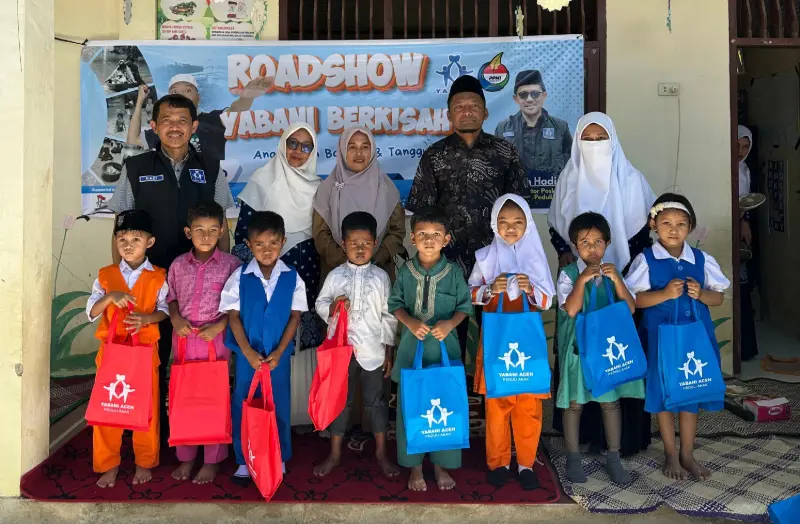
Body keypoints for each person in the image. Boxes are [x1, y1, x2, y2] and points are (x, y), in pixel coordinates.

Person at [108, 93, 235, 447]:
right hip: (149, 284)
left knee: (195, 363)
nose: (174, 127)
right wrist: (122, 280)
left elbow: (223, 229)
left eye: (182, 121)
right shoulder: (136, 167)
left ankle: (192, 433)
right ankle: (145, 433)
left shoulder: (211, 167)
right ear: (154, 126)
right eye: (166, 120)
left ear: (194, 126)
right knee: (148, 358)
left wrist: (224, 283)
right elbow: (120, 228)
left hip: (199, 291)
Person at [547, 112, 656, 456]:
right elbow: (557, 229)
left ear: (613, 140)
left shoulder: (632, 180)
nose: (594, 145)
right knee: (579, 355)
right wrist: (570, 260)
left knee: (618, 354)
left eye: (601, 139)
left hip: (621, 283)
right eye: (587, 139)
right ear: (577, 142)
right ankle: (581, 437)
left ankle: (623, 441)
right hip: (580, 284)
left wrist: (622, 275)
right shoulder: (568, 179)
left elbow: (643, 235)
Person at [406, 74, 529, 357]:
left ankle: (493, 386)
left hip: (496, 262)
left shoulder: (505, 152)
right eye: (459, 107)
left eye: (473, 105)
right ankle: (455, 386)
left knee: (499, 336)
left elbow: (519, 209)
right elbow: (422, 213)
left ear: (485, 112)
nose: (467, 111)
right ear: (449, 115)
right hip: (447, 264)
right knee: (448, 339)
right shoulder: (434, 156)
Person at [625, 193, 729, 481]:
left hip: (695, 339)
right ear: (653, 225)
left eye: (681, 224)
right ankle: (671, 453)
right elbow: (633, 301)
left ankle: (687, 454)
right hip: (661, 340)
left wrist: (702, 294)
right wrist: (664, 294)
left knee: (690, 391)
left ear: (690, 227)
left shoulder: (701, 259)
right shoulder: (646, 260)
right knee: (664, 394)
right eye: (666, 223)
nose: (673, 229)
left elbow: (719, 297)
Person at [468, 194, 555, 490]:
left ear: (528, 223)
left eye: (518, 222)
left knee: (528, 406)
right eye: (503, 221)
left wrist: (531, 289)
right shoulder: (484, 257)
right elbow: (470, 294)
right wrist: (490, 289)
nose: (510, 228)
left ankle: (526, 463)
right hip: (497, 342)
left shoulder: (536, 258)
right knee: (497, 405)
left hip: (527, 344)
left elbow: (547, 301)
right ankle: (499, 463)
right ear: (494, 224)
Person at [388, 207, 473, 492]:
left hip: (444, 351)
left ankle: (440, 465)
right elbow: (395, 304)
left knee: (445, 406)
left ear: (446, 240)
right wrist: (411, 322)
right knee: (411, 408)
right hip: (411, 351)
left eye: (436, 234)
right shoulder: (405, 272)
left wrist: (450, 324)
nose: (429, 239)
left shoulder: (454, 273)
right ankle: (415, 467)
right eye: (422, 233)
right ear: (412, 238)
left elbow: (464, 307)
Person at [219, 211, 308, 485]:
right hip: (247, 357)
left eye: (273, 243)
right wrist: (247, 352)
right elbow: (233, 317)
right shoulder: (240, 277)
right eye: (259, 244)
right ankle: (243, 459)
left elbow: (295, 317)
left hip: (278, 358)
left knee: (278, 404)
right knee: (244, 403)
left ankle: (278, 456)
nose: (267, 250)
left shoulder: (293, 278)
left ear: (283, 242)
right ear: (249, 245)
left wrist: (280, 352)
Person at [556, 212, 644, 485]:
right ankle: (573, 458)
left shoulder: (613, 273)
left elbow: (630, 308)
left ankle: (614, 458)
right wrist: (582, 280)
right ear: (575, 246)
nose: (592, 248)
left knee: (610, 403)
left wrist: (617, 280)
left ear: (607, 243)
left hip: (607, 353)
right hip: (579, 352)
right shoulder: (568, 275)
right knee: (574, 404)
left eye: (598, 242)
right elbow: (571, 309)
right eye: (585, 242)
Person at [85, 210, 169, 489]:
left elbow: (165, 310)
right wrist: (110, 296)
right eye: (122, 239)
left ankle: (144, 461)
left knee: (146, 409)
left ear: (150, 242)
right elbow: (91, 312)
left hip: (144, 351)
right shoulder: (106, 275)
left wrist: (147, 319)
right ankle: (108, 464)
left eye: (136, 239)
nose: (128, 244)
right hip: (111, 352)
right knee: (107, 409)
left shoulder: (158, 276)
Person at [312, 211, 399, 479]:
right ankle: (335, 454)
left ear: (375, 243)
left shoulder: (381, 277)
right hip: (342, 351)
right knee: (341, 402)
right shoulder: (336, 276)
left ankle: (381, 453)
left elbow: (389, 315)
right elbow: (320, 303)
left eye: (366, 243)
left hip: (373, 350)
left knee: (376, 401)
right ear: (343, 244)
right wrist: (334, 307)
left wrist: (389, 349)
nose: (360, 249)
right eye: (353, 243)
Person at [166, 201, 241, 484]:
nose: (206, 236)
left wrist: (220, 325)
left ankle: (212, 459)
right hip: (184, 337)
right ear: (188, 233)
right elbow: (170, 297)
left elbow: (238, 305)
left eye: (212, 230)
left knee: (214, 397)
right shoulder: (177, 265)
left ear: (222, 231)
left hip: (216, 338)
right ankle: (186, 456)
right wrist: (175, 318)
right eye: (199, 230)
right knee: (183, 396)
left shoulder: (232, 265)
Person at [234, 123, 323, 351]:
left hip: (309, 270)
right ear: (283, 144)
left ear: (312, 152)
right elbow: (243, 234)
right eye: (293, 143)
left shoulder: (319, 188)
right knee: (270, 335)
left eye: (306, 146)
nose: (298, 150)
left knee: (303, 338)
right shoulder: (262, 179)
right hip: (267, 274)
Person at [312, 126, 406, 281]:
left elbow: (397, 231)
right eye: (352, 147)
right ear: (342, 150)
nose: (359, 152)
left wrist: (373, 259)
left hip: (378, 273)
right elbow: (321, 235)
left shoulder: (387, 188)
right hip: (337, 275)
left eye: (365, 147)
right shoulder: (327, 189)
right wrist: (348, 262)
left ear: (372, 151)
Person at [126, 74, 273, 162]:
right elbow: (133, 140)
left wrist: (247, 97)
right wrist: (140, 101)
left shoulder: (214, 120)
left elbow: (236, 110)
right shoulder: (164, 129)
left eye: (187, 90)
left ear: (198, 97)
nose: (181, 95)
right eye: (174, 92)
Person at [494, 70, 572, 210]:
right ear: (516, 99)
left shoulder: (561, 128)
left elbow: (571, 168)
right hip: (515, 206)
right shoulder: (502, 129)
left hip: (552, 205)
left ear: (544, 96)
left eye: (535, 94)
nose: (529, 99)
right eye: (523, 95)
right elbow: (496, 170)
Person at [738, 125, 759, 361]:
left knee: (743, 287)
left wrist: (744, 220)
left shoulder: (744, 170)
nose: (741, 151)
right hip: (729, 228)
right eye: (736, 145)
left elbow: (746, 201)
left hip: (741, 231)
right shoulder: (725, 169)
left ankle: (746, 349)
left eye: (746, 146)